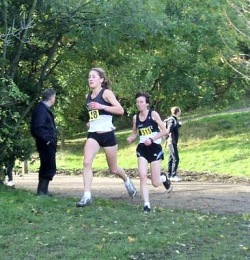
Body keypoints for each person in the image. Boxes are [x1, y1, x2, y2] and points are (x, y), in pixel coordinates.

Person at [76, 68, 137, 207]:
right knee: (86, 163)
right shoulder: (88, 96)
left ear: (101, 80)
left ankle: (127, 181)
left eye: (94, 77)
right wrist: (90, 122)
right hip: (93, 134)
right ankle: (87, 196)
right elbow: (94, 115)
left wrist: (101, 106)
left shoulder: (106, 93)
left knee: (113, 169)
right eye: (89, 76)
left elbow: (120, 110)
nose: (90, 79)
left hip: (108, 135)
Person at [127, 92, 172, 213]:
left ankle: (164, 178)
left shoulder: (153, 115)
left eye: (141, 102)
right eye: (137, 102)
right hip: (142, 148)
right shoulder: (135, 118)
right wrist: (131, 138)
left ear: (146, 103)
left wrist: (152, 139)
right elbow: (135, 132)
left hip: (154, 147)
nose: (139, 104)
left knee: (155, 183)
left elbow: (165, 131)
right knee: (142, 176)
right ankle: (146, 205)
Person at [30, 89, 57, 196]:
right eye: (54, 97)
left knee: (47, 165)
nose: (55, 99)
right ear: (51, 98)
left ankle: (43, 190)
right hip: (45, 143)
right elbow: (37, 128)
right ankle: (42, 191)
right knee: (48, 166)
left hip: (46, 142)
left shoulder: (42, 109)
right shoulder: (41, 110)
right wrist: (47, 140)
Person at [165, 106, 182, 182]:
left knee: (171, 158)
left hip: (170, 141)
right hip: (172, 141)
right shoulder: (173, 120)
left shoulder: (171, 119)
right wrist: (178, 125)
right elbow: (170, 128)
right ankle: (173, 175)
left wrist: (178, 125)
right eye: (179, 111)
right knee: (176, 158)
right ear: (177, 112)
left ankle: (169, 175)